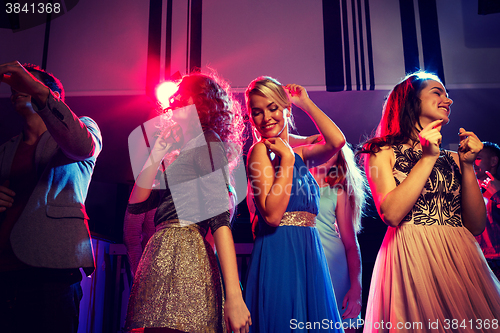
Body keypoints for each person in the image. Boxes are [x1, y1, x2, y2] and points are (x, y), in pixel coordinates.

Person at [360, 71, 500, 332]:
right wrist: (427, 158)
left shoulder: (456, 157)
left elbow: (476, 225)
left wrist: (468, 165)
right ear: (410, 101)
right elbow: (391, 213)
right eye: (437, 92)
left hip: (460, 256)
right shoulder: (381, 151)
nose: (448, 100)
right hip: (413, 253)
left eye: (447, 95)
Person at [124, 72, 251, 332]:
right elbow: (136, 204)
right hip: (162, 253)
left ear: (202, 102)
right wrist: (158, 150)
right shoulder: (184, 152)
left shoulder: (207, 141)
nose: (175, 99)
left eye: (183, 94)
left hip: (185, 253)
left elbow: (220, 221)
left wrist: (234, 297)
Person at [0, 61, 102, 332]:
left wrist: (36, 88)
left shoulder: (84, 129)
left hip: (51, 274)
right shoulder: (6, 148)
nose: (16, 89)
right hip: (5, 271)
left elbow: (80, 146)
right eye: (15, 87)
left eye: (25, 84)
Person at [243, 76, 346, 332]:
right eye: (257, 112)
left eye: (273, 107)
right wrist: (287, 161)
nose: (266, 117)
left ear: (286, 110)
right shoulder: (259, 152)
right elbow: (272, 216)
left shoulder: (298, 152)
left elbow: (337, 142)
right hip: (280, 249)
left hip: (309, 250)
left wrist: (306, 103)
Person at [310, 144, 365, 333]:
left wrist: (357, 288)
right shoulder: (292, 186)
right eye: (322, 147)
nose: (327, 154)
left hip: (336, 268)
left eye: (333, 151)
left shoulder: (338, 193)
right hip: (304, 267)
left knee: (344, 326)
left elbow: (351, 244)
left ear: (338, 159)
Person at [474, 141, 500, 278]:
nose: (473, 161)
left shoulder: (498, 188)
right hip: (476, 258)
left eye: (478, 158)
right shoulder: (468, 188)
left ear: (494, 161)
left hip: (497, 259)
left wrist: (497, 194)